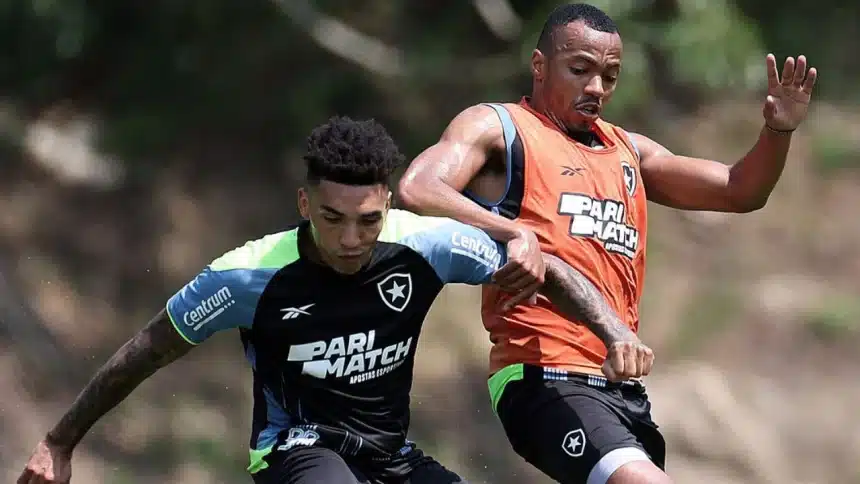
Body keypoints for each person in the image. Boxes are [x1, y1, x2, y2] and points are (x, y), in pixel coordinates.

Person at [18, 115, 652, 484]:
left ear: (387, 204)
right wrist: (60, 440)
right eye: (332, 218)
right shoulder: (245, 276)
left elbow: (548, 265)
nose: (351, 239)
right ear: (304, 205)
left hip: (391, 456)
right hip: (297, 451)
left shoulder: (427, 244)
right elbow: (145, 352)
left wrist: (612, 332)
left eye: (369, 220)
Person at [397, 3, 818, 484]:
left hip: (621, 387)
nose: (596, 88)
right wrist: (514, 231)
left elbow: (739, 190)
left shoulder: (629, 151)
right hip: (542, 374)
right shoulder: (501, 128)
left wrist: (777, 131)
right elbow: (420, 188)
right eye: (580, 70)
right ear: (540, 66)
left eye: (610, 76)